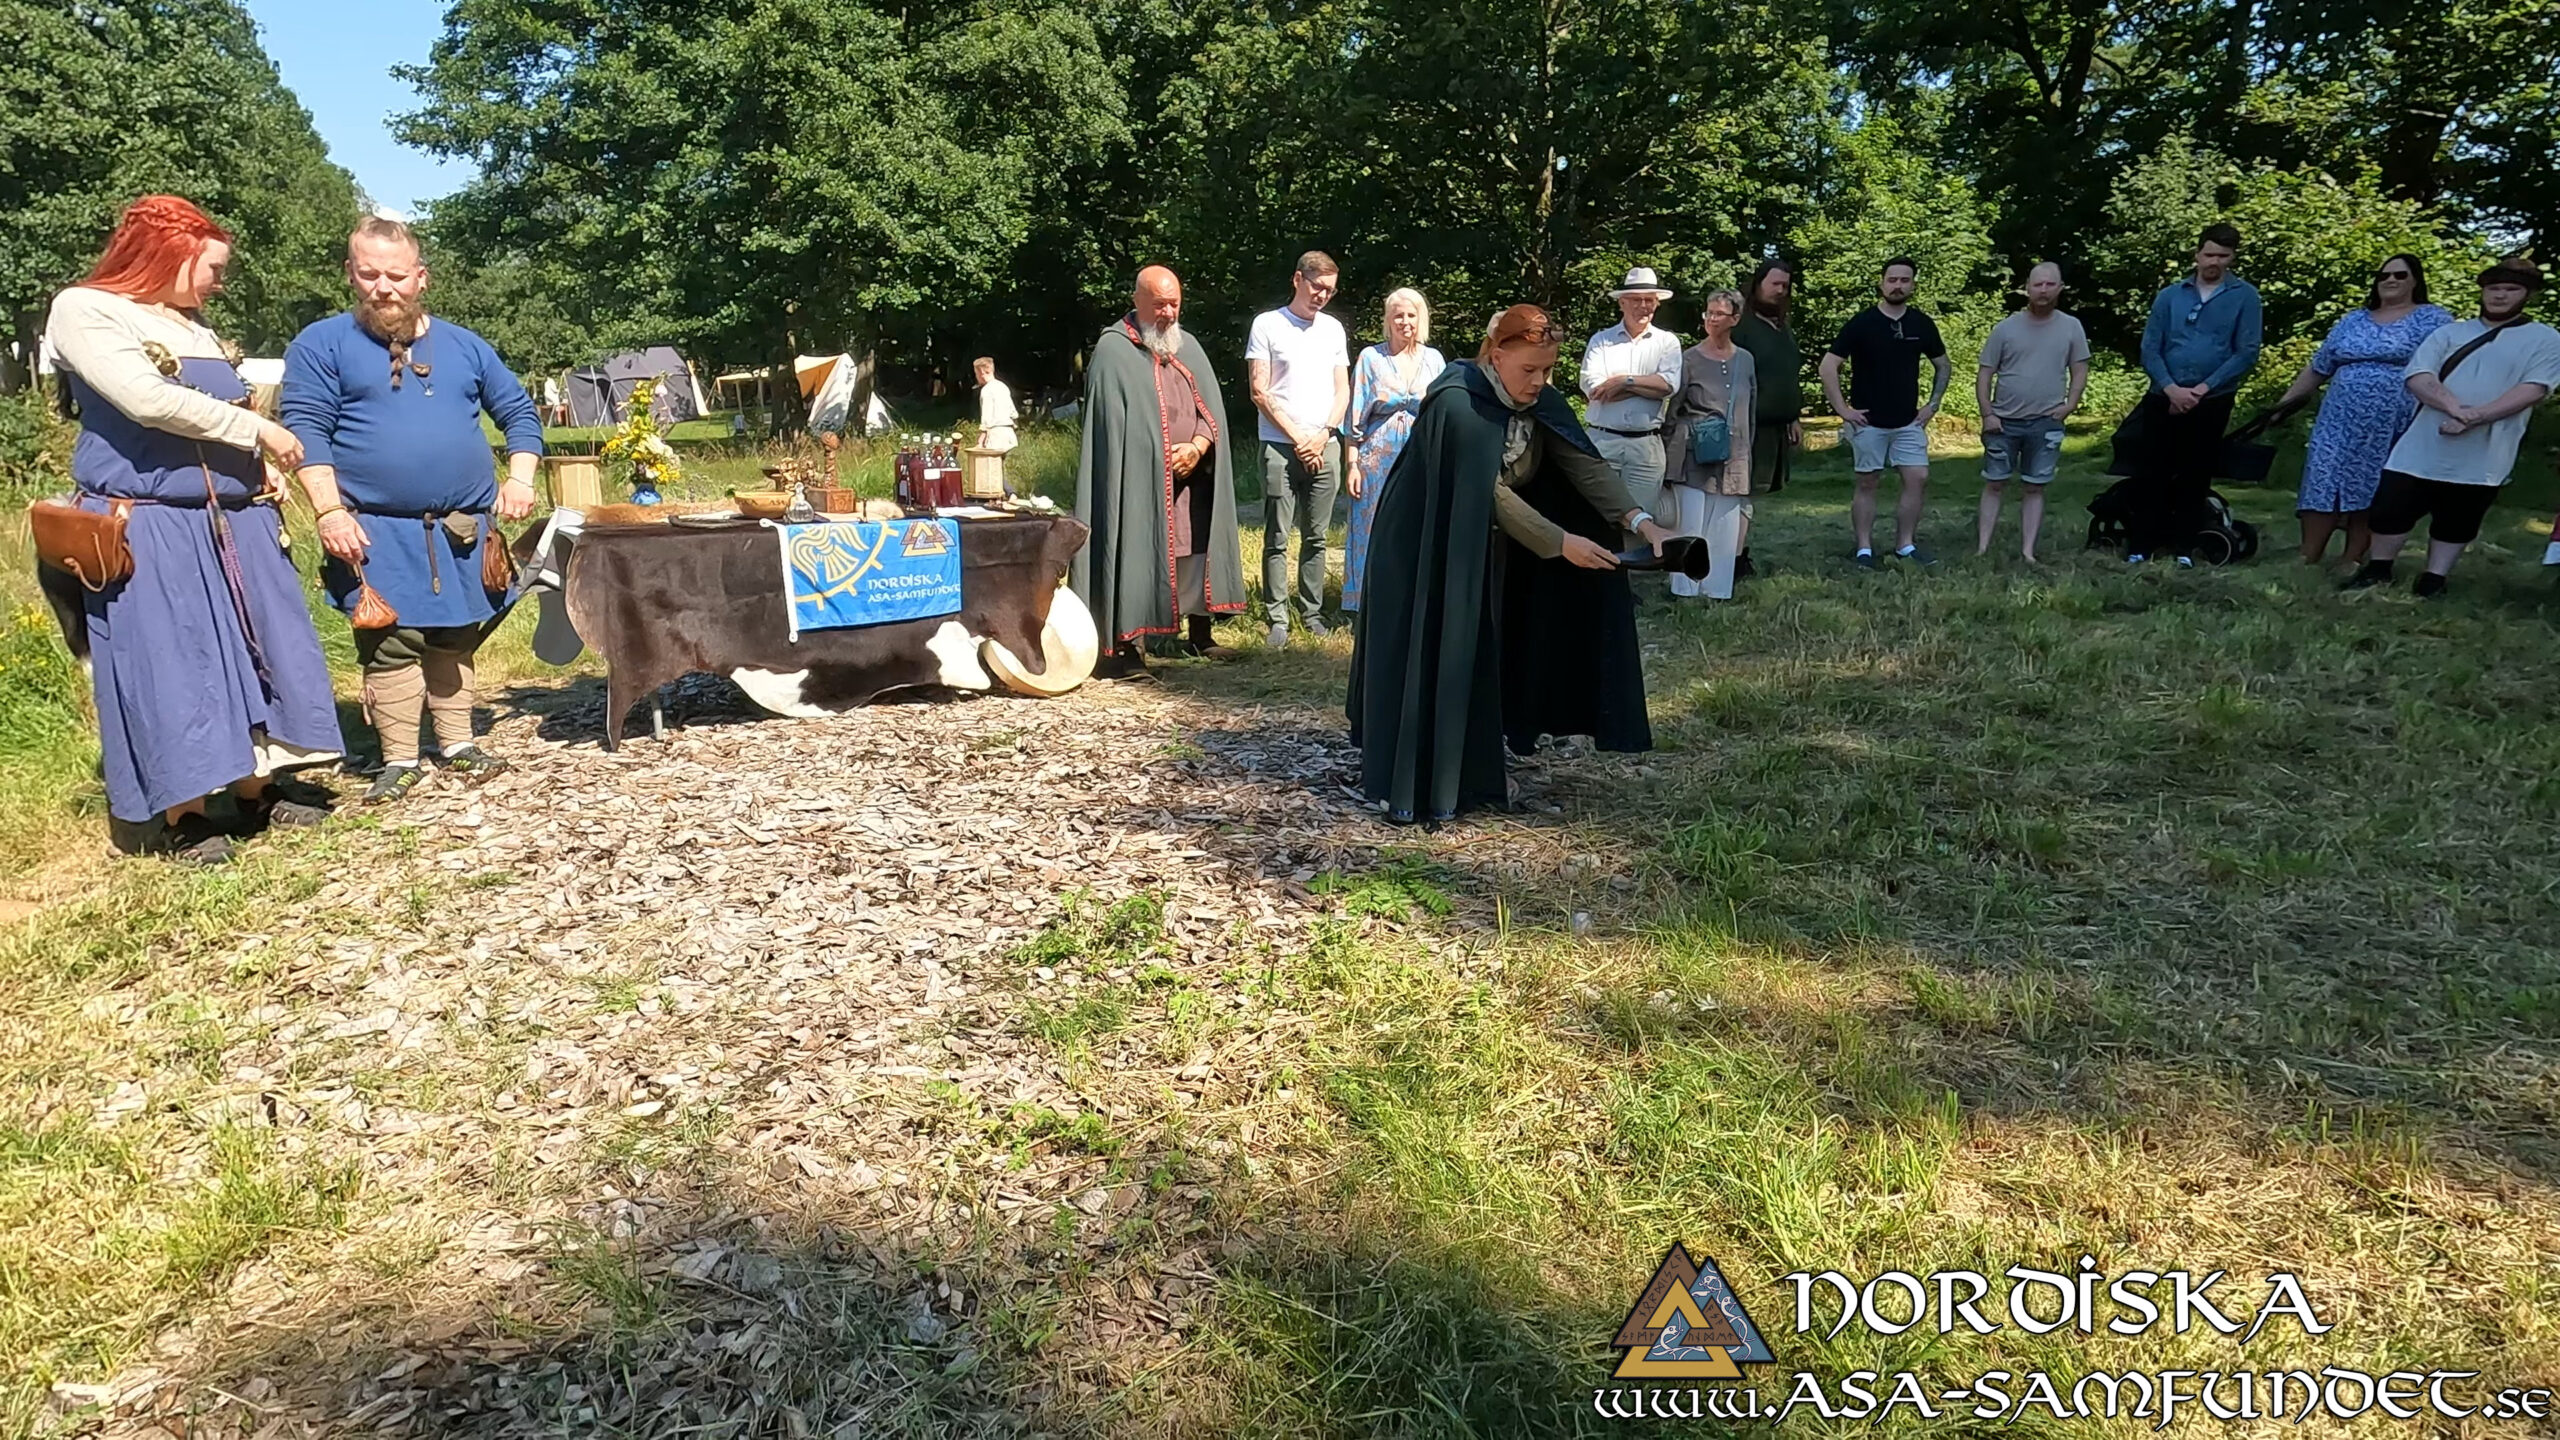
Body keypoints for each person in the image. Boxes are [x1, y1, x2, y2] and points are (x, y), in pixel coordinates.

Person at [42, 195, 342, 862]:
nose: (218, 281)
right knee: (175, 663)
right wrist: (259, 429)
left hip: (232, 518)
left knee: (255, 649)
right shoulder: (86, 309)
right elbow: (147, 401)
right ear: (167, 255)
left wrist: (256, 465)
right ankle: (186, 813)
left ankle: (256, 788)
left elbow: (214, 410)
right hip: (150, 523)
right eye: (211, 266)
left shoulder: (191, 326)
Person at [1346, 305, 1676, 824]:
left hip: (1487, 543)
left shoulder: (1540, 400)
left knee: (1491, 638)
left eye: (1548, 371)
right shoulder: (1457, 403)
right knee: (1438, 644)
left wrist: (1640, 520)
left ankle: (1485, 746)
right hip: (1424, 544)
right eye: (1529, 370)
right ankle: (1423, 766)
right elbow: (1488, 493)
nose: (1539, 382)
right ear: (1496, 356)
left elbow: (1583, 464)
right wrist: (1559, 541)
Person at [283, 217, 543, 803]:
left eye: (396, 275)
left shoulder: (465, 345)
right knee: (392, 641)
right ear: (350, 274)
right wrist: (328, 513)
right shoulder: (321, 344)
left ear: (420, 277)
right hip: (374, 529)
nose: (383, 287)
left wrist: (520, 478)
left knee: (455, 633)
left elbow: (519, 415)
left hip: (463, 530)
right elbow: (307, 433)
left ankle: (457, 744)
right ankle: (398, 758)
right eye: (369, 273)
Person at [2344, 256, 2560, 599]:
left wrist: (2477, 418)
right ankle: (2379, 567)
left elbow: (2533, 388)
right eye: (2494, 288)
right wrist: (2455, 409)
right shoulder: (2450, 333)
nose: (2500, 296)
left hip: (2486, 448)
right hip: (2424, 442)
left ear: (2527, 295)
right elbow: (2418, 375)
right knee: (2390, 507)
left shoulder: (2545, 339)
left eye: (2510, 289)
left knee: (2458, 518)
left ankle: (2434, 578)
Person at [1072, 265, 1248, 673]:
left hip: (1192, 478)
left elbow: (1211, 412)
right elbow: (1114, 432)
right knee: (1136, 548)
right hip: (1138, 481)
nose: (1168, 313)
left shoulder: (1187, 346)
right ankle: (1129, 646)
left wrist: (1199, 445)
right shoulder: (1114, 352)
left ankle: (1199, 635)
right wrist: (1156, 456)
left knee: (1195, 545)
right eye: (1159, 305)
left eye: (1174, 304)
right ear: (1137, 301)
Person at [2274, 255, 2454, 564]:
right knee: (2322, 477)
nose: (2391, 280)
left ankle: (2354, 558)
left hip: (2393, 418)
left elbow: (2449, 366)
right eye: (2384, 275)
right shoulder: (2353, 320)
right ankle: (2307, 555)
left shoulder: (2434, 319)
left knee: (2375, 486)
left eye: (2400, 274)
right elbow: (2319, 367)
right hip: (2338, 417)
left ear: (2415, 281)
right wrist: (2282, 405)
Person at [2128, 223, 2263, 566]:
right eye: (2209, 254)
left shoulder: (2244, 296)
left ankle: (2185, 547)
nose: (2214, 261)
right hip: (2164, 394)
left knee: (2196, 472)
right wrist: (2171, 388)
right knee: (2152, 470)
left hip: (2212, 399)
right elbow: (2150, 347)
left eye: (2223, 255)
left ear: (2232, 258)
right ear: (2197, 254)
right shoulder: (2170, 295)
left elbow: (2245, 351)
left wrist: (2203, 389)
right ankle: (2141, 544)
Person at [1246, 251, 1351, 648]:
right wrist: (1297, 437)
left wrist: (1323, 434)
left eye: (1330, 290)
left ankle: (1311, 611)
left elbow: (1342, 389)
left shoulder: (1333, 330)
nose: (1322, 295)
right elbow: (1260, 390)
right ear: (1297, 279)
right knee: (1277, 535)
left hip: (1324, 444)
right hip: (1279, 444)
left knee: (1318, 536)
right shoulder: (1268, 325)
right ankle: (1276, 617)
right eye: (1317, 287)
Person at [1822, 257, 1949, 567]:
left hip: (1908, 421)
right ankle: (1864, 549)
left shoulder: (1921, 323)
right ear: (1882, 283)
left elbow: (1943, 364)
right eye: (1892, 280)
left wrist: (1932, 405)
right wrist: (1843, 410)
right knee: (1868, 482)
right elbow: (1828, 366)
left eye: (1905, 280)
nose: (1898, 285)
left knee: (1917, 478)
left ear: (1913, 285)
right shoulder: (1862, 323)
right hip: (1868, 422)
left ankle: (1905, 544)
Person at [1974, 262, 2091, 563]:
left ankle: (2028, 552)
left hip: (2046, 421)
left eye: (2050, 285)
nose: (2043, 290)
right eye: (2038, 284)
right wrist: (1987, 413)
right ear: (2027, 287)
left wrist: (2070, 404)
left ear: (2060, 288)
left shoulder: (2071, 327)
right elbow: (1985, 373)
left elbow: (2079, 369)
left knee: (2035, 487)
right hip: (2004, 420)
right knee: (1995, 482)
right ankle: (1982, 548)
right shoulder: (2006, 328)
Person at [1341, 288, 1446, 612]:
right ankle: (1368, 602)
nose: (1405, 322)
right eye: (1398, 315)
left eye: (1411, 315)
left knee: (1418, 524)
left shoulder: (1434, 360)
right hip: (1377, 458)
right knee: (1373, 527)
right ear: (1387, 320)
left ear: (1421, 318)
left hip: (1421, 455)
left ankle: (1414, 599)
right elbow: (1354, 417)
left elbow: (1444, 410)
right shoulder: (1371, 359)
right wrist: (1352, 464)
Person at [1662, 291, 1758, 600]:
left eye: (1719, 314)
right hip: (1693, 452)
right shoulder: (1688, 358)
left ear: (1735, 319)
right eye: (1708, 312)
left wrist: (1746, 451)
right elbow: (1672, 410)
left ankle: (1717, 589)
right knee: (1690, 522)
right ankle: (1685, 590)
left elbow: (1750, 409)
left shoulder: (1745, 359)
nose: (1711, 319)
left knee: (1726, 525)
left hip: (1734, 454)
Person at [1580, 267, 1684, 539]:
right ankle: (1595, 576)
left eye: (1649, 300)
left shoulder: (1667, 342)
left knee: (1640, 521)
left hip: (1645, 446)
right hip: (1602, 440)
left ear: (1657, 303)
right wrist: (1646, 385)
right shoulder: (1601, 341)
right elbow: (1595, 389)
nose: (1643, 306)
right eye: (1636, 299)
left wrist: (1623, 381)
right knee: (1594, 516)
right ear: (1622, 302)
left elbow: (1668, 386)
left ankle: (1630, 577)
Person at [1730, 258, 1803, 577]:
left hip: (1775, 427)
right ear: (1757, 284)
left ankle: (1736, 554)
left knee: (1751, 494)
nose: (1780, 290)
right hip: (1747, 427)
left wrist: (1793, 417)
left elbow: (1785, 375)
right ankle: (1732, 558)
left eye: (1785, 286)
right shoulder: (1741, 327)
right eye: (1774, 283)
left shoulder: (1782, 327)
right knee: (1738, 493)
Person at [974, 355, 1018, 455]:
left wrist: (981, 439)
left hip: (995, 435)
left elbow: (986, 417)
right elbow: (1014, 413)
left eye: (976, 374)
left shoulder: (987, 390)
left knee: (994, 468)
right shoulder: (1003, 387)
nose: (976, 377)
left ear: (981, 372)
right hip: (1009, 434)